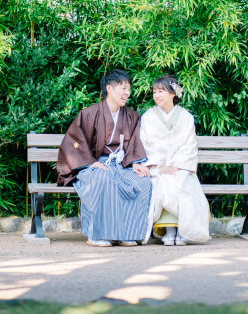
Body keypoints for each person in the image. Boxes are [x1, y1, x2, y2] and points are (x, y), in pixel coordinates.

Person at [56, 69, 151, 247]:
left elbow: (135, 144)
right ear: (109, 88)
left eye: (129, 88)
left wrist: (136, 163)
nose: (127, 93)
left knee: (142, 181)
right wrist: (91, 163)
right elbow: (74, 143)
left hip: (121, 166)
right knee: (103, 178)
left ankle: (126, 233)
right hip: (92, 166)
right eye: (123, 88)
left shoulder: (131, 116)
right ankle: (97, 234)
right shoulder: (89, 114)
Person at [140, 75, 210, 245]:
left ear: (173, 93)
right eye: (154, 91)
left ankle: (182, 230)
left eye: (161, 91)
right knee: (162, 181)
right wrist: (160, 163)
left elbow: (189, 144)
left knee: (181, 181)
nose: (157, 95)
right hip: (157, 165)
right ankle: (170, 230)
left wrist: (177, 166)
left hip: (180, 166)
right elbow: (145, 143)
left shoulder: (185, 116)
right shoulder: (148, 116)